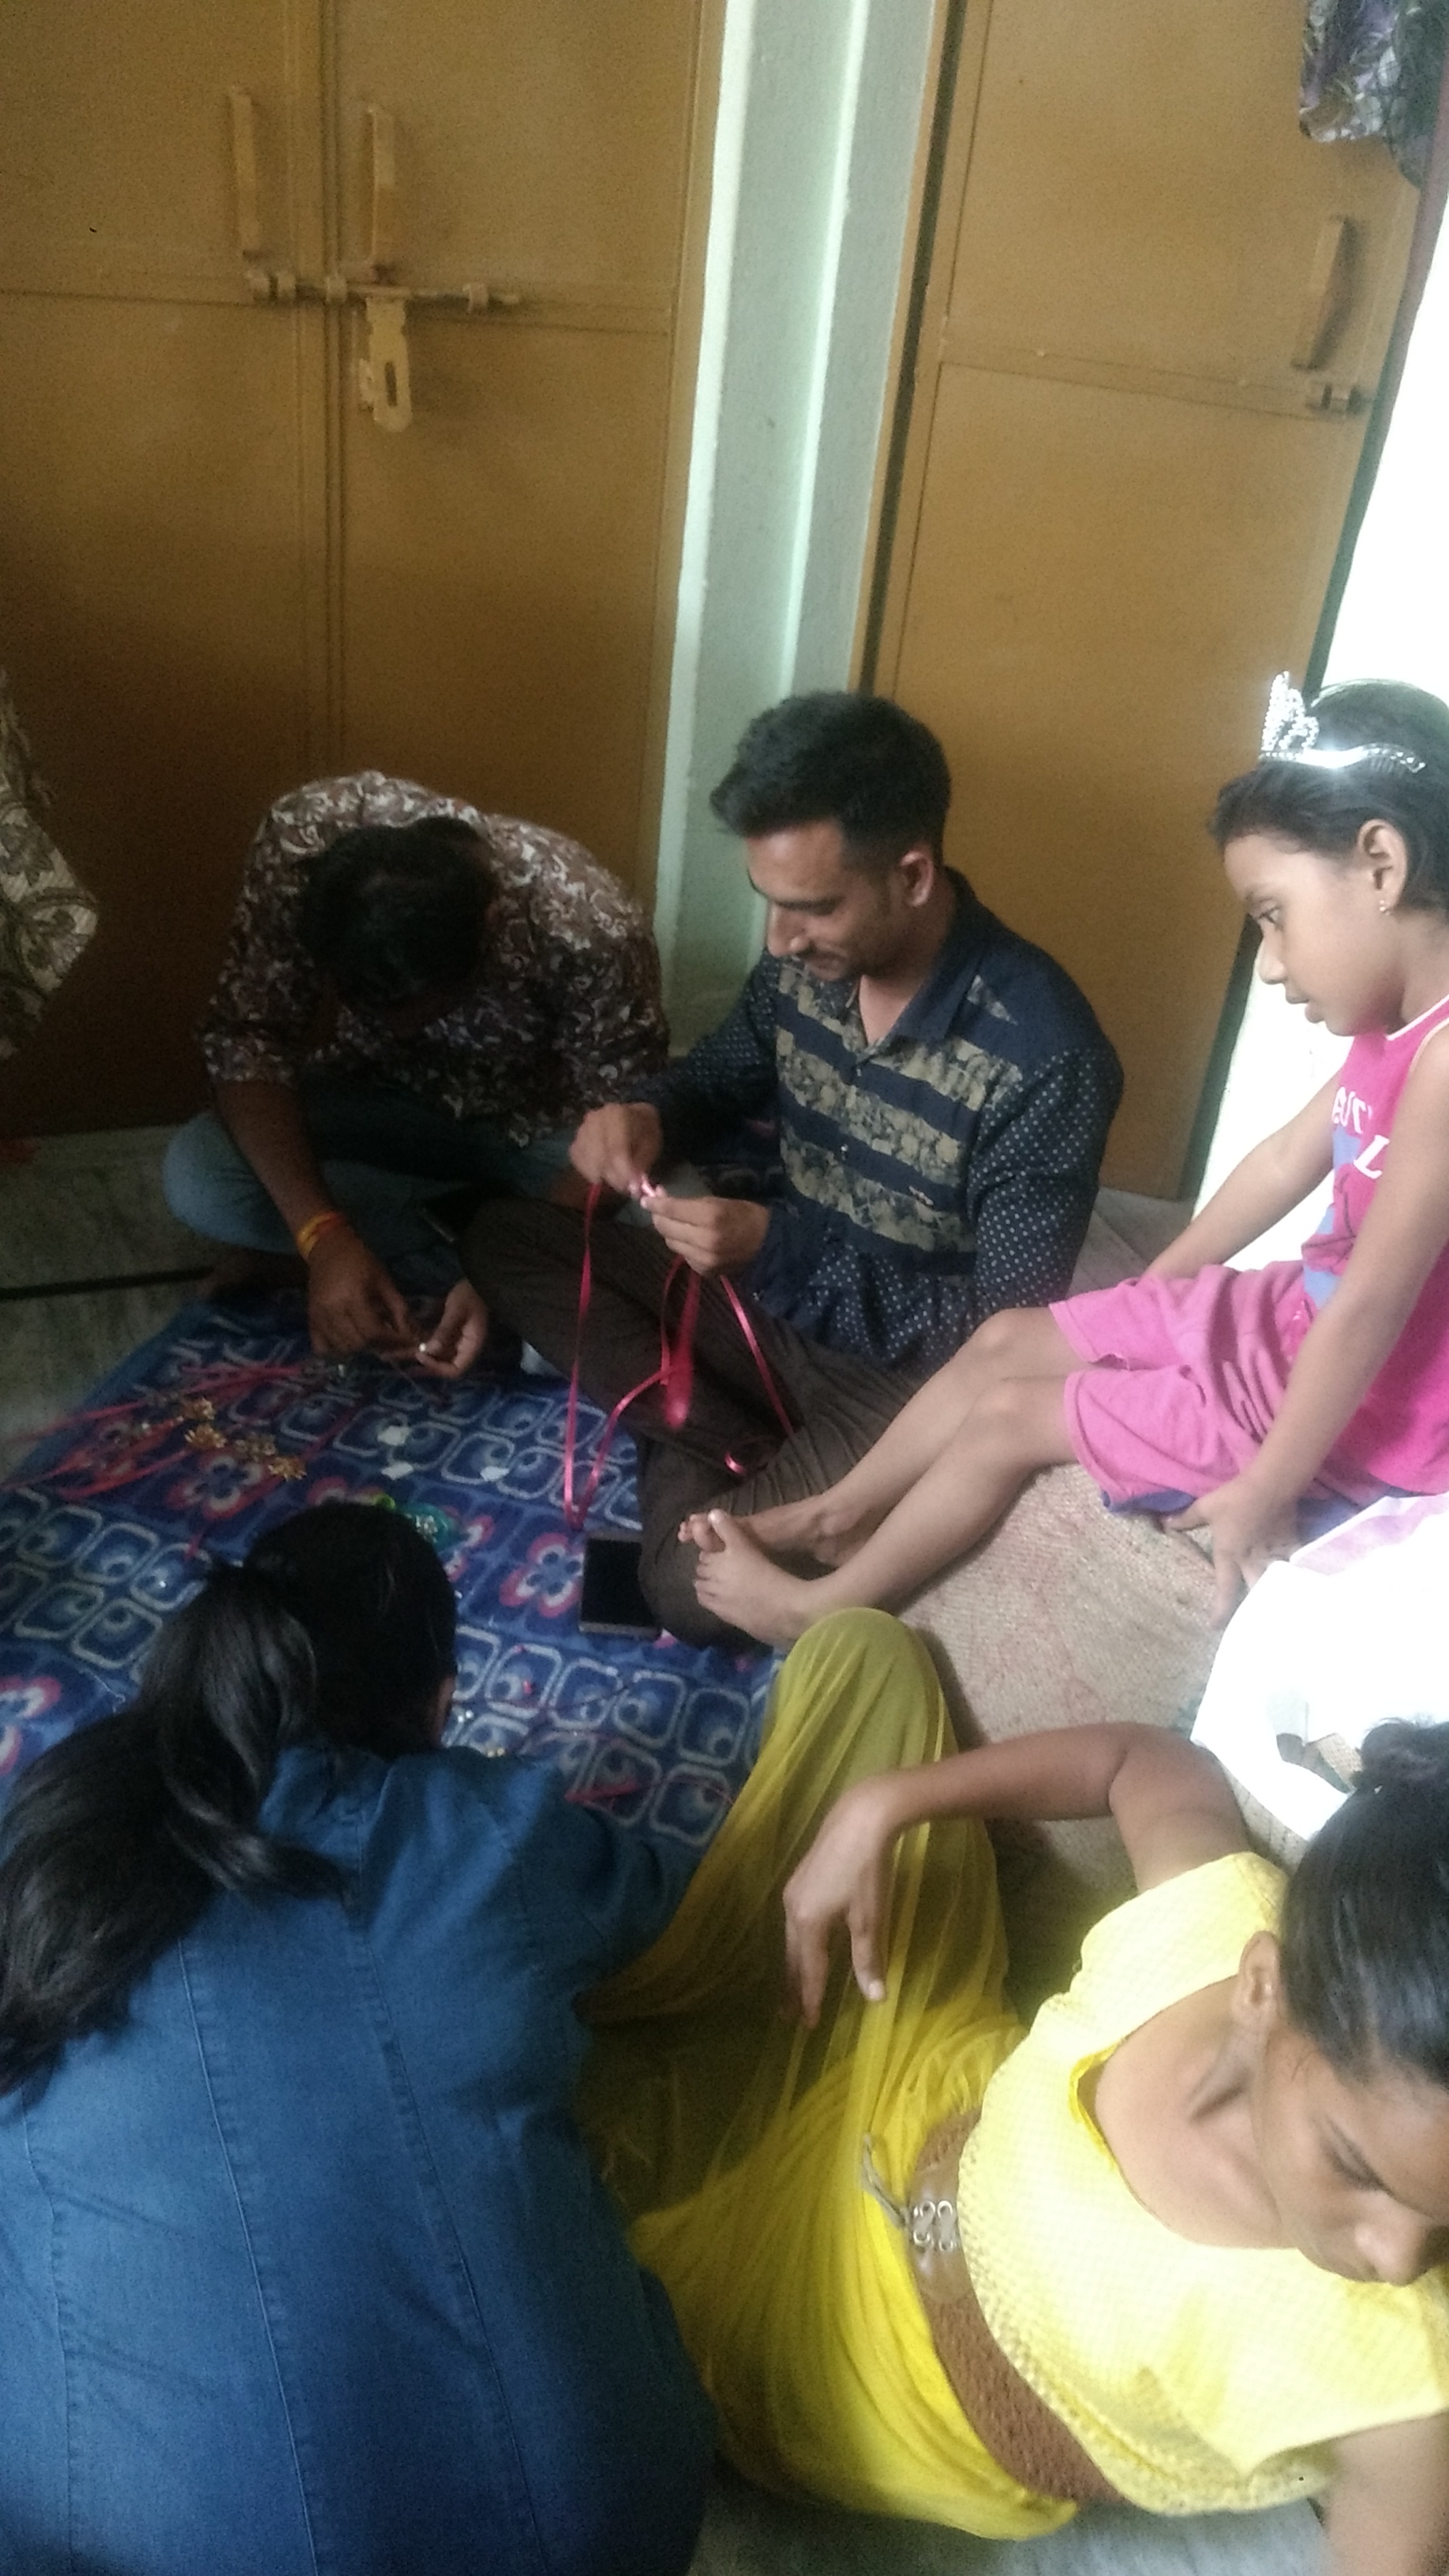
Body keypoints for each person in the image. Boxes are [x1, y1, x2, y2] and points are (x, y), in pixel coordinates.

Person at [578, 1606, 1449, 2559]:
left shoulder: (1399, 2385)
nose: (1401, 2255)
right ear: (1261, 1986)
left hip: (875, 2380)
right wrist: (885, 1807)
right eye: (1357, 2166)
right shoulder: (1217, 1922)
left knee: (576, 2294)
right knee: (867, 1656)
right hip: (924, 2100)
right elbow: (1149, 1765)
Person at [0, 1503, 713, 2576]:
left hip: (90, 2536)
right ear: (439, 1708)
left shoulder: (48, 1831)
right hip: (586, 2525)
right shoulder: (483, 1830)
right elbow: (678, 1905)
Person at [685, 678, 1449, 1642]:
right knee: (1012, 1337)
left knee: (1012, 1417)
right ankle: (835, 1513)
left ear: (1381, 864)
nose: (1268, 962)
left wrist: (1268, 1488)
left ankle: (818, 1609)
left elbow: (1374, 1307)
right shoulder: (1396, 1026)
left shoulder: (1445, 1060)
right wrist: (1153, 1296)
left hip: (1365, 1413)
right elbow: (1281, 1160)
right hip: (1299, 1319)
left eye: (1273, 914)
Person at [465, 693, 1121, 1643]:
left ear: (912, 874)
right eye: (771, 903)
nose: (780, 939)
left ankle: (703, 1438)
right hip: (763, 1307)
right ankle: (735, 1440)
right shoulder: (801, 970)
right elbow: (715, 1080)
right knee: (501, 1235)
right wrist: (646, 1116)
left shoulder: (1045, 1057)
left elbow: (1009, 1332)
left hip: (901, 1385)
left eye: (813, 908)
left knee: (683, 1587)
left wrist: (779, 1252)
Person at [163, 774, 668, 1376]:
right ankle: (440, 1246)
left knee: (670, 1230)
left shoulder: (590, 921)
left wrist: (507, 1267)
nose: (399, 1029)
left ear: (489, 925)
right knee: (200, 1175)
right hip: (379, 1095)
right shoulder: (302, 840)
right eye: (369, 1006)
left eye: (423, 1006)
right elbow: (246, 1037)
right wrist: (322, 1236)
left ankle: (457, 1253)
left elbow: (622, 1121)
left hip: (544, 1131)